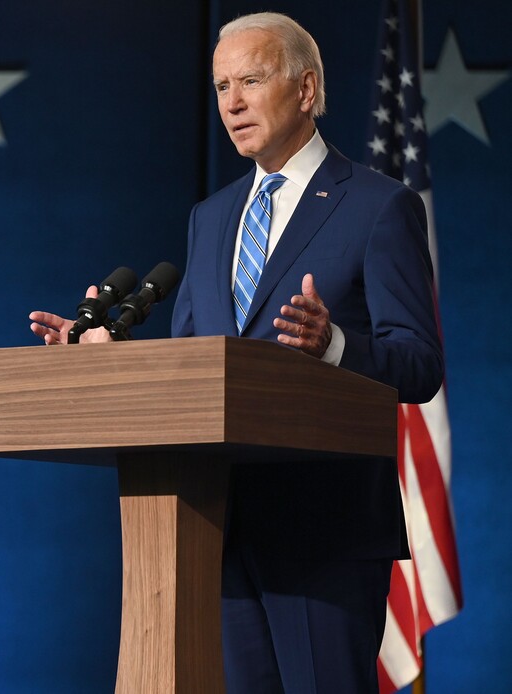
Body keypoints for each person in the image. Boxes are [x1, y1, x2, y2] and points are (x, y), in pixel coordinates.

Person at [29, 12, 442, 694]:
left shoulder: (378, 206)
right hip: (213, 527)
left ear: (306, 90)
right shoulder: (212, 217)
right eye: (222, 85)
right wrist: (105, 354)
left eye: (251, 80)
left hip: (324, 539)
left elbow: (419, 364)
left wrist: (334, 343)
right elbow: (197, 362)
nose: (232, 103)